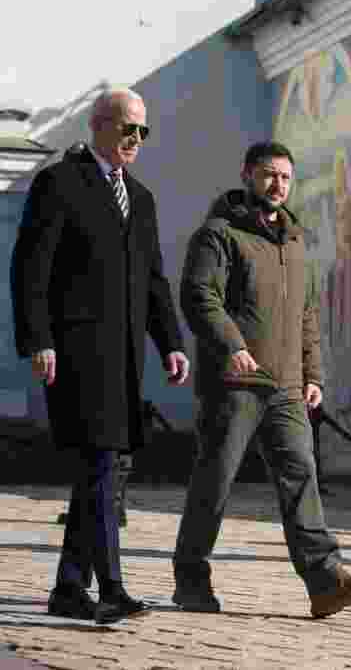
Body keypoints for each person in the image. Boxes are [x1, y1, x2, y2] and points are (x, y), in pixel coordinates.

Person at [173, 142, 351, 617]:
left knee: (301, 476)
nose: (278, 185)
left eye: (286, 178)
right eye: (269, 175)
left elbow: (307, 313)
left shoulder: (294, 239)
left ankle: (326, 582)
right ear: (247, 174)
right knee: (216, 483)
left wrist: (313, 374)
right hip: (235, 384)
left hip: (286, 388)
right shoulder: (219, 234)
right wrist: (233, 346)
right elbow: (199, 295)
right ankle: (191, 579)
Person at [11, 88, 190, 624]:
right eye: (127, 127)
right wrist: (38, 339)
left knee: (101, 470)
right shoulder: (60, 184)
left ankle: (69, 588)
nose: (136, 139)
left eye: (143, 130)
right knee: (101, 467)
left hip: (127, 361)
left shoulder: (142, 198)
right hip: (76, 355)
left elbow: (155, 281)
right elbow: (30, 270)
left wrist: (172, 343)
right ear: (99, 126)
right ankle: (110, 587)